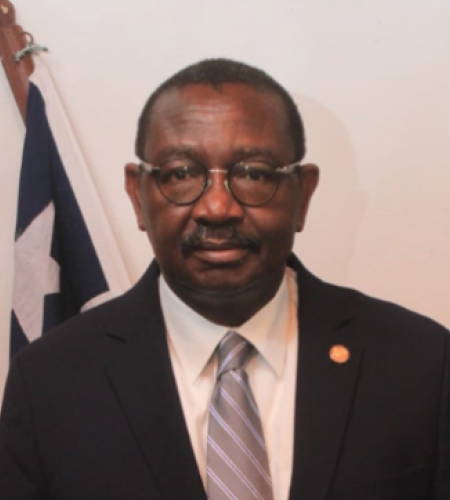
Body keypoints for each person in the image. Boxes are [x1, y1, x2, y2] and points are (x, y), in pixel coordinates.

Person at [0, 58, 449, 500]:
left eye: (253, 174)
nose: (217, 208)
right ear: (138, 196)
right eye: (181, 174)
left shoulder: (422, 363)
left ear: (303, 195)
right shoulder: (47, 384)